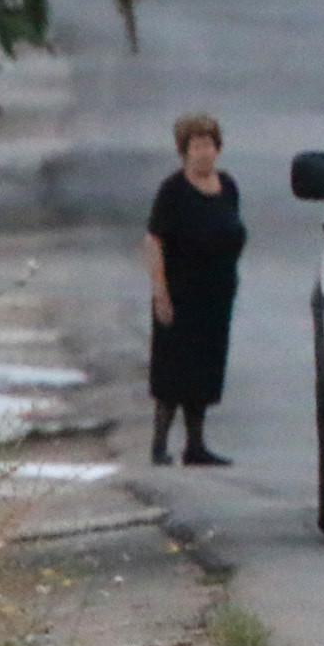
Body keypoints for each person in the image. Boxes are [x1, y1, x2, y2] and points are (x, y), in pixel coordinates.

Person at [142, 112, 245, 466]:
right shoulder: (173, 191)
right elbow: (153, 240)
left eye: (209, 145)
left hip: (215, 297)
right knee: (173, 370)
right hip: (180, 294)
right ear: (184, 150)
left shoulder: (227, 187)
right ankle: (159, 443)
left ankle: (196, 444)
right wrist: (160, 291)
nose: (203, 152)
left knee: (205, 368)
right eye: (196, 146)